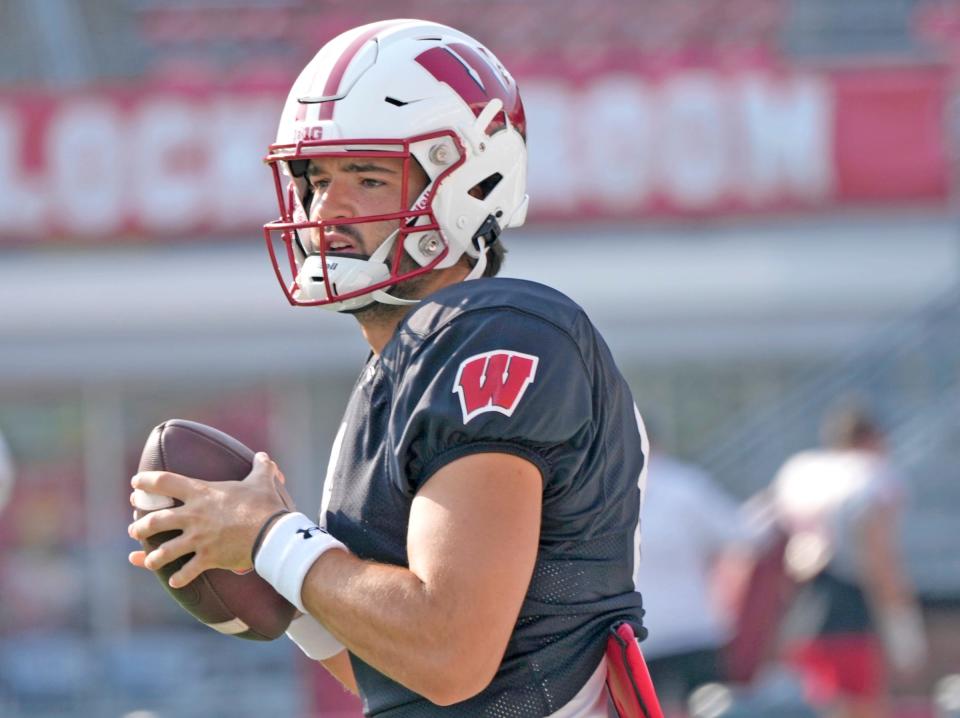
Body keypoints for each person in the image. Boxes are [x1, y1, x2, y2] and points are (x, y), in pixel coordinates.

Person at [127, 19, 652, 717]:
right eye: (315, 179)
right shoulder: (399, 368)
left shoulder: (495, 333)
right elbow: (400, 674)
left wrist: (273, 539)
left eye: (367, 177)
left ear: (474, 180)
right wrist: (284, 585)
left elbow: (449, 652)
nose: (327, 210)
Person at [767, 400, 927, 718]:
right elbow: (879, 554)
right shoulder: (870, 475)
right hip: (851, 612)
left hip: (803, 613)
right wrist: (903, 623)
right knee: (864, 708)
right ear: (873, 439)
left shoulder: (801, 473)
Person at [638, 444, 756, 713]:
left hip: (640, 635)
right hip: (693, 628)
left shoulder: (603, 489)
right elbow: (741, 536)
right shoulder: (684, 485)